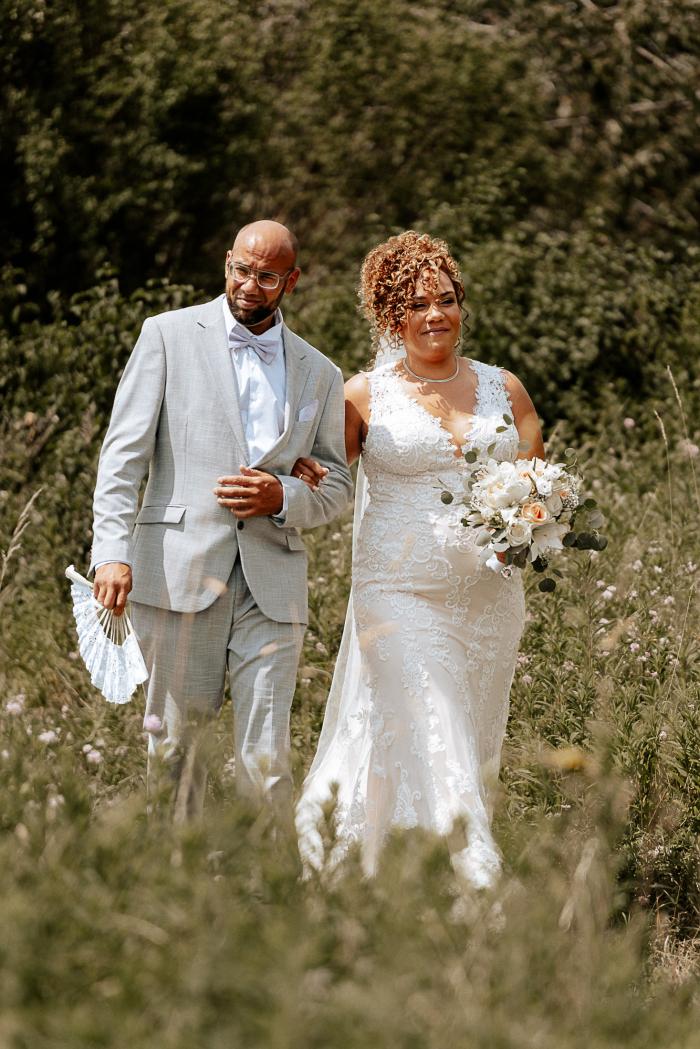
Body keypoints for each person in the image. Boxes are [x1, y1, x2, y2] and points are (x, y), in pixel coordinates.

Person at [294, 231, 545, 888]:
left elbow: (540, 482)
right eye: (416, 303)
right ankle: (476, 884)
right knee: (440, 727)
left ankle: (392, 872)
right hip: (397, 592)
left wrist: (531, 519)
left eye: (446, 299)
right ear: (389, 315)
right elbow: (322, 481)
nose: (435, 315)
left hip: (489, 598)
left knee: (469, 733)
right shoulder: (363, 395)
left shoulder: (504, 388)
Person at [90, 219, 353, 822]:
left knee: (268, 757)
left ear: (292, 279)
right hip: (177, 570)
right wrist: (110, 551)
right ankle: (175, 891)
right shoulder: (166, 335)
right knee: (178, 752)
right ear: (227, 262)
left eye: (266, 277)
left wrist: (281, 496)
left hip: (272, 580)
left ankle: (263, 898)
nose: (250, 286)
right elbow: (122, 455)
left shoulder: (321, 371)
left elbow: (338, 484)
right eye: (241, 270)